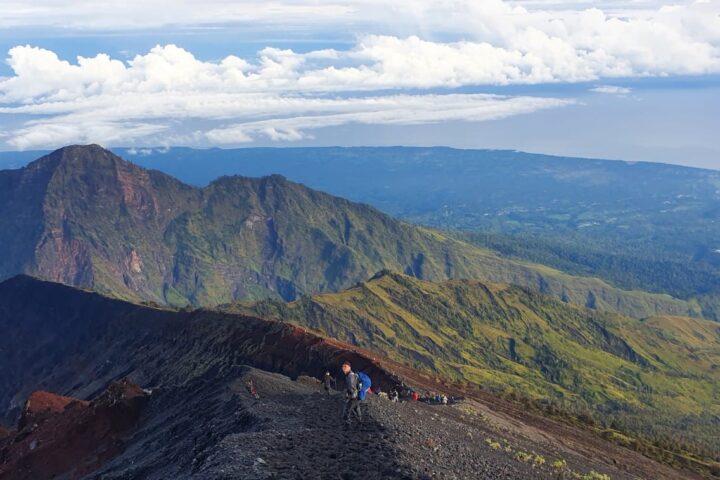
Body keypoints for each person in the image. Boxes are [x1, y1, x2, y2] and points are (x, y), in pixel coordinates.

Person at [341, 361, 361, 428]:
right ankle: (359, 423)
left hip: (353, 397)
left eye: (345, 367)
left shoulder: (350, 376)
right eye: (343, 367)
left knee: (346, 412)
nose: (343, 368)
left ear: (349, 367)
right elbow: (358, 386)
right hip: (355, 397)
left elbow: (351, 388)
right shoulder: (352, 375)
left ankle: (347, 426)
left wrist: (348, 395)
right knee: (355, 409)